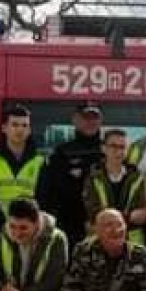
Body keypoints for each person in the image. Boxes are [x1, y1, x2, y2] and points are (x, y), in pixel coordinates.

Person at [0, 105, 47, 246]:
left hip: (30, 234)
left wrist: (26, 229)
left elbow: (43, 200)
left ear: (29, 130)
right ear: (4, 128)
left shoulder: (40, 162)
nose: (20, 130)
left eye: (24, 125)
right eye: (14, 125)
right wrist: (5, 229)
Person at [45, 102, 103, 248]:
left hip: (104, 225)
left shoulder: (108, 150)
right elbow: (54, 193)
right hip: (71, 227)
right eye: (86, 117)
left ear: (100, 121)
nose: (91, 122)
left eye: (94, 117)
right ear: (75, 120)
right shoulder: (62, 153)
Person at [83, 128, 146, 245]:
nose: (118, 151)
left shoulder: (137, 178)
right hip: (100, 241)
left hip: (132, 243)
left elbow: (141, 215)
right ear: (103, 148)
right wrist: (127, 217)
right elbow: (93, 214)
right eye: (113, 146)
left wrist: (110, 218)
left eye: (122, 147)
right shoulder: (93, 178)